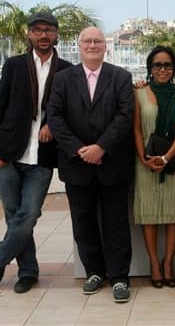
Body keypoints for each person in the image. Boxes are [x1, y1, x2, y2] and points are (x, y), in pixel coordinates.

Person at [0, 12, 72, 293]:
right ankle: (28, 272)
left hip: (43, 156)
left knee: (30, 213)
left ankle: (0, 260)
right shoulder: (14, 65)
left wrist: (52, 126)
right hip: (10, 152)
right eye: (38, 30)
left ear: (56, 34)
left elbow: (70, 112)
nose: (43, 35)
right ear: (29, 34)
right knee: (14, 216)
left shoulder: (67, 69)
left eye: (48, 30)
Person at [47, 26, 135, 303]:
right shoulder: (62, 79)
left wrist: (100, 147)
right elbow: (55, 117)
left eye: (98, 40)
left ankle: (120, 277)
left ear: (105, 46)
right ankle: (95, 271)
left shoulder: (121, 76)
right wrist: (79, 149)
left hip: (113, 162)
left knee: (116, 223)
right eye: (88, 41)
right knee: (83, 221)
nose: (93, 45)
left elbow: (125, 115)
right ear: (79, 45)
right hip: (76, 164)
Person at [133, 45, 175, 288]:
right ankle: (154, 264)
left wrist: (166, 158)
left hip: (172, 161)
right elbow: (135, 128)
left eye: (167, 65)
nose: (163, 69)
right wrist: (144, 157)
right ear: (150, 68)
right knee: (149, 216)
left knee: (172, 216)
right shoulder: (139, 93)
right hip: (145, 161)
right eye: (158, 65)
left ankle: (168, 263)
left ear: (174, 68)